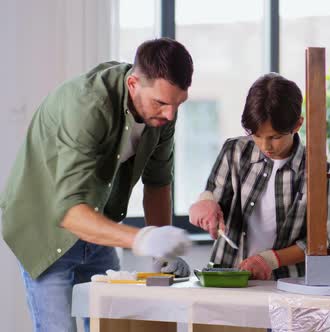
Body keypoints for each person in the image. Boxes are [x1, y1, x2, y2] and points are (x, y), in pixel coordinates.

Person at [0, 38, 194, 332]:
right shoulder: (88, 105)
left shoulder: (164, 114)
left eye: (178, 104)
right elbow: (69, 211)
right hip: (46, 232)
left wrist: (162, 254)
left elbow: (158, 183)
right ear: (133, 84)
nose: (170, 115)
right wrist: (143, 239)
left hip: (96, 228)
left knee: (113, 326)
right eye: (162, 103)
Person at [188, 73, 330, 280]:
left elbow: (323, 239)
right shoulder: (235, 151)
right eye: (257, 136)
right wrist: (205, 203)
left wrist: (270, 259)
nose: (265, 146)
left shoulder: (316, 171)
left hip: (287, 282)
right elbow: (214, 197)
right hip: (227, 275)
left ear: (297, 125)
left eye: (275, 137)